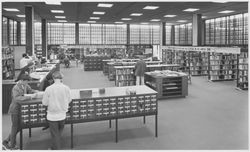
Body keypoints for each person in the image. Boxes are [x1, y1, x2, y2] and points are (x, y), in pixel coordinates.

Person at [2, 74, 39, 150]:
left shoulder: (25, 85)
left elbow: (30, 90)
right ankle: (12, 146)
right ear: (21, 80)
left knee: (19, 126)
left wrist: (36, 92)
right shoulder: (15, 88)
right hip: (15, 110)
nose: (27, 83)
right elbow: (17, 98)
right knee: (15, 127)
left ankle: (6, 140)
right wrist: (29, 97)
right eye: (26, 82)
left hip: (21, 109)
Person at [42, 71, 71, 150]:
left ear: (53, 78)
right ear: (61, 78)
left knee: (55, 135)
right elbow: (69, 100)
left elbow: (44, 103)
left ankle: (56, 148)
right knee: (58, 134)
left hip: (52, 116)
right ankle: (53, 147)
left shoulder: (48, 89)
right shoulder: (66, 88)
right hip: (62, 115)